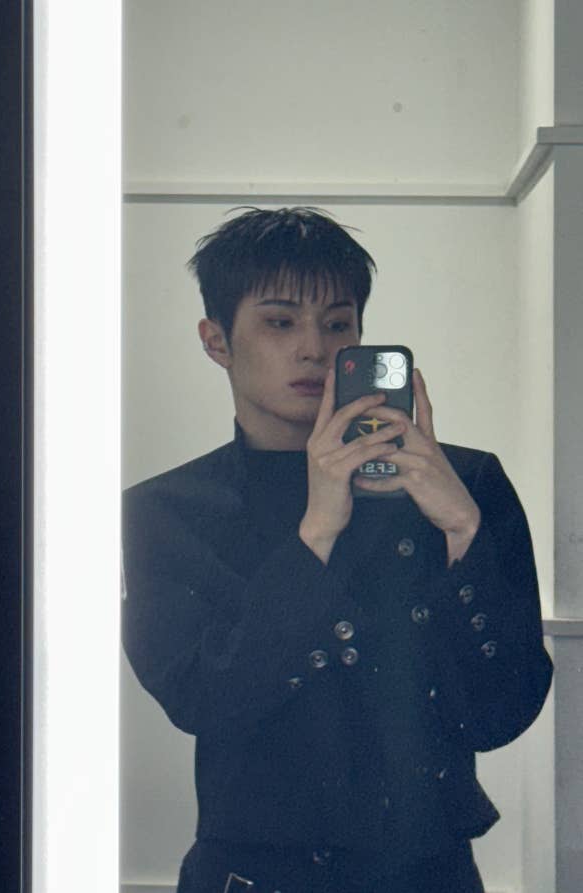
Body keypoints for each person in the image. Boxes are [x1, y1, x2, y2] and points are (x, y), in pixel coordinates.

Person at [121, 207, 553, 893]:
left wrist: (463, 531)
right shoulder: (167, 512)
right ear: (217, 340)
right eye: (279, 321)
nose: (313, 349)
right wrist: (316, 530)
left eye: (337, 323)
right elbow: (205, 701)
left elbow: (501, 712)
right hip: (252, 875)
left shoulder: (464, 484)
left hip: (426, 873)